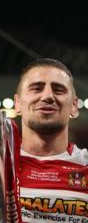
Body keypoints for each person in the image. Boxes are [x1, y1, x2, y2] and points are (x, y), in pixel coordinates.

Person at [14, 58, 88, 223]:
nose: (47, 96)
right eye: (36, 88)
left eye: (59, 89)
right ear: (17, 104)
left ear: (74, 106)